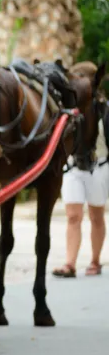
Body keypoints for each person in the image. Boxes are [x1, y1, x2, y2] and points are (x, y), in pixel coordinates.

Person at [53, 65, 107, 278]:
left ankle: (95, 261)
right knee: (73, 216)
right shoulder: (69, 108)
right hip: (74, 167)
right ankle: (70, 263)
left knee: (96, 216)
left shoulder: (103, 109)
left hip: (99, 167)